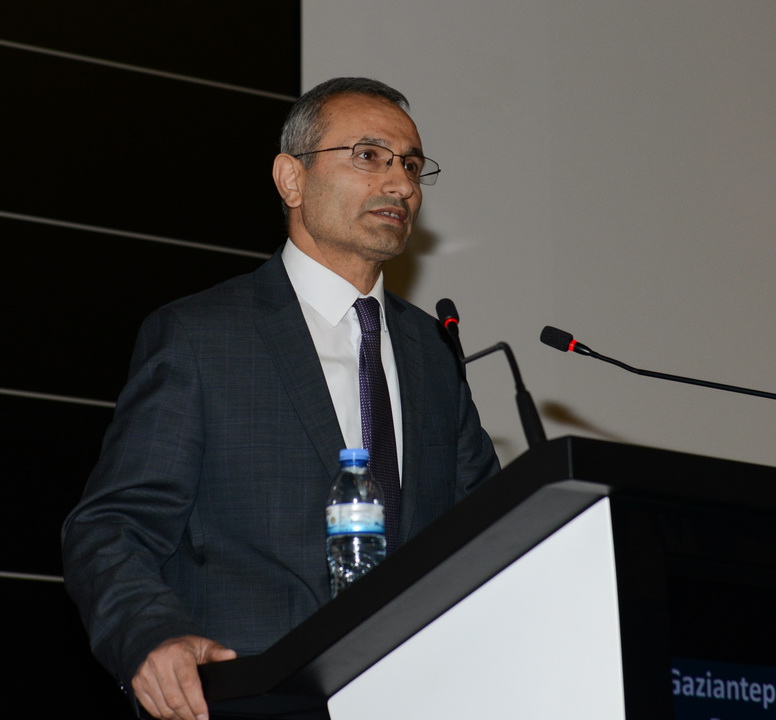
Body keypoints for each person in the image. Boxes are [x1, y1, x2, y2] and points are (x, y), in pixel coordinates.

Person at [62, 77, 499, 720]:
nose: (401, 184)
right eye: (369, 156)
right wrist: (149, 635)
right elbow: (114, 525)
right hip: (252, 696)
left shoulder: (433, 352)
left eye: (411, 165)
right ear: (291, 179)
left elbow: (484, 527)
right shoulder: (203, 336)